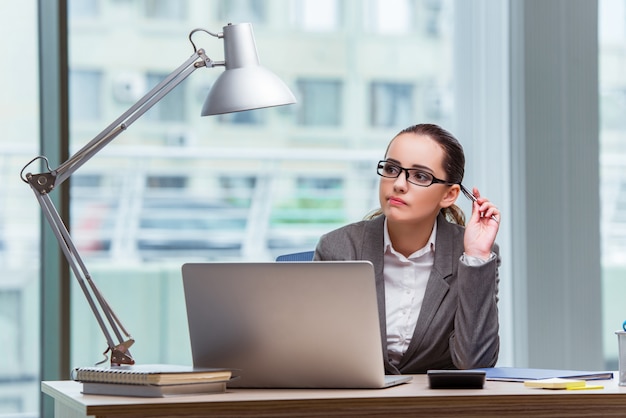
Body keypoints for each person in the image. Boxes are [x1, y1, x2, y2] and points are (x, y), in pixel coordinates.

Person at [314, 123, 500, 375]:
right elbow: (318, 354)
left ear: (449, 194)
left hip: (436, 408)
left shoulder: (469, 255)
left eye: (420, 176)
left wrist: (476, 258)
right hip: (355, 405)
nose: (399, 184)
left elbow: (474, 362)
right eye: (391, 169)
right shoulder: (338, 248)